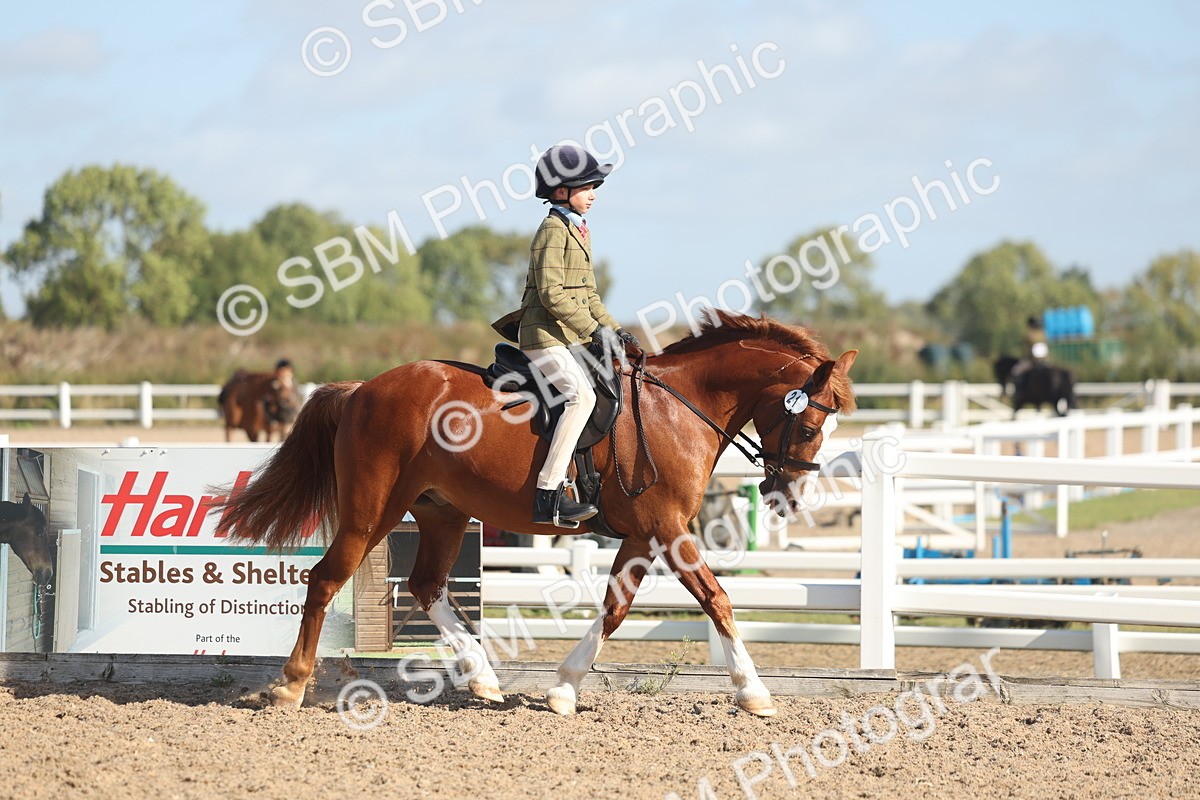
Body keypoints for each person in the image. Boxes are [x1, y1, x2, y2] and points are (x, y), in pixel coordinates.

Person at [492, 144, 639, 527]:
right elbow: (552, 294)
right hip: (543, 336)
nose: (593, 194)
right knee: (581, 395)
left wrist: (615, 330)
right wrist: (592, 331)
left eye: (595, 187)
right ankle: (549, 494)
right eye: (587, 187)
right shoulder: (552, 230)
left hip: (566, 335)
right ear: (561, 192)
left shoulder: (579, 230)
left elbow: (589, 295)